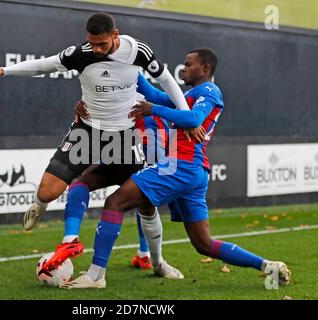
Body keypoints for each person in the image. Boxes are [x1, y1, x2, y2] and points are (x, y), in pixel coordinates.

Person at [0, 12, 190, 278]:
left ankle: (159, 263)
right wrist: (5, 70)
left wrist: (186, 117)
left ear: (115, 35)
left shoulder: (138, 51)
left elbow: (166, 80)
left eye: (102, 43)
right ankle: (39, 206)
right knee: (47, 192)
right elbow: (45, 65)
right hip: (87, 132)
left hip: (125, 136)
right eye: (92, 43)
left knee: (146, 204)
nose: (97, 49)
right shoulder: (79, 54)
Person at [63, 48, 291, 289]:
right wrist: (126, 66)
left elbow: (193, 119)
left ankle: (97, 275)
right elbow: (150, 92)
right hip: (191, 170)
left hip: (180, 164)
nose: (183, 68)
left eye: (189, 64)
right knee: (203, 244)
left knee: (115, 202)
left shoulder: (210, 90)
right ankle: (268, 266)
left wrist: (153, 110)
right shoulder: (188, 94)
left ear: (205, 68)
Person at [72, 97, 206, 270]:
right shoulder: (141, 95)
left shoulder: (140, 96)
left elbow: (179, 112)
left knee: (137, 200)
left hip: (148, 148)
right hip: (141, 148)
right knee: (141, 201)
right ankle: (149, 257)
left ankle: (146, 259)